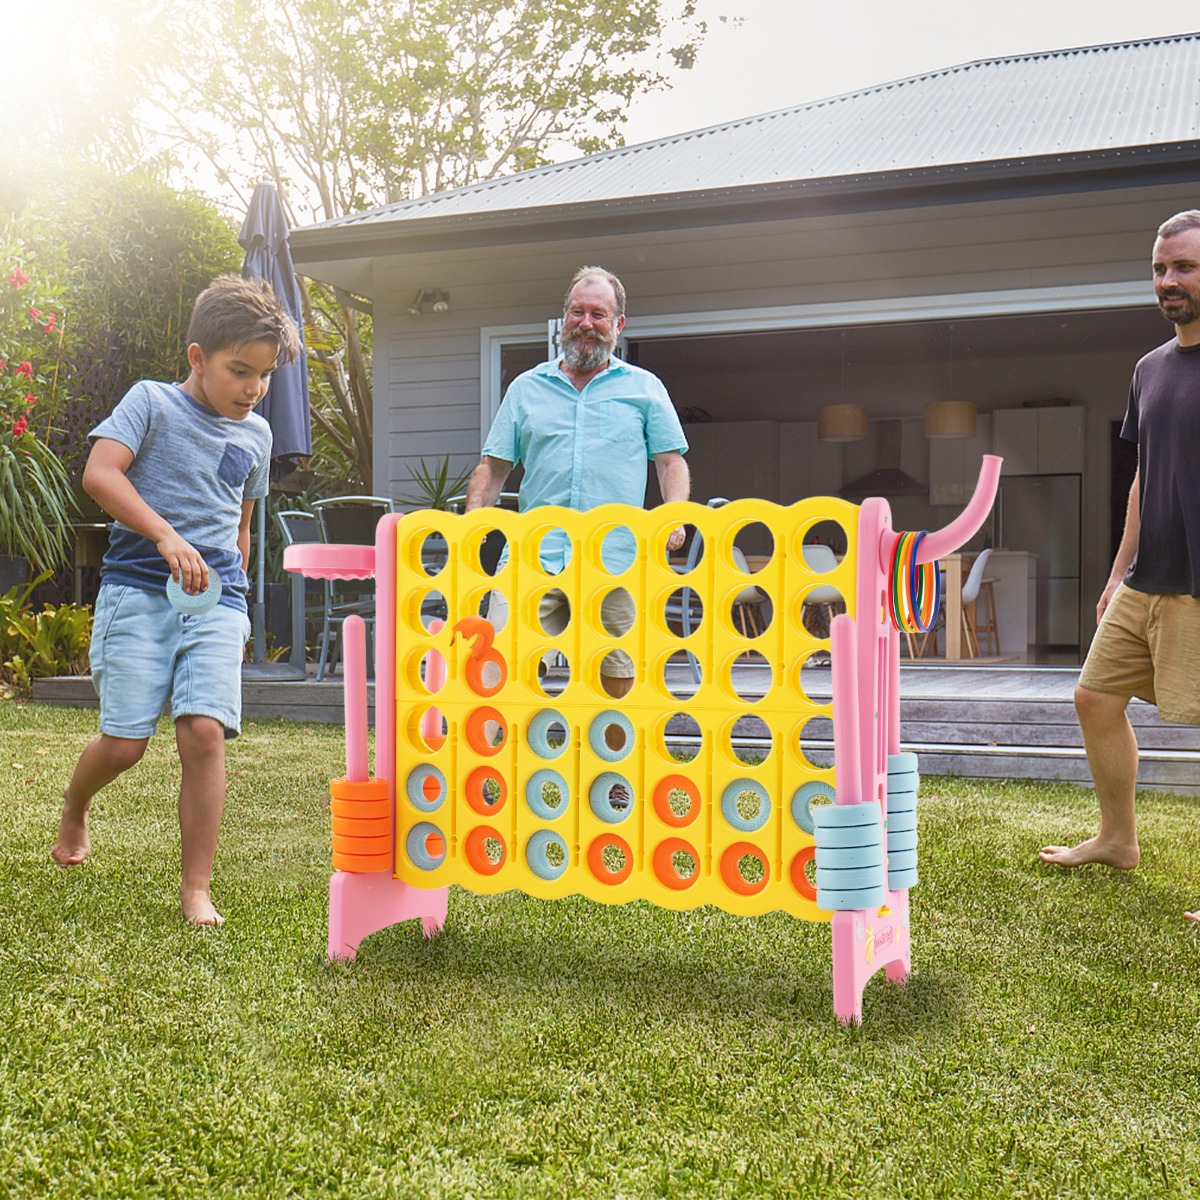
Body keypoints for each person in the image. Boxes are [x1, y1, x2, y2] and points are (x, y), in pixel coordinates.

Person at [51, 274, 301, 926]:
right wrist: (164, 534)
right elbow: (99, 473)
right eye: (239, 371)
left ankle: (196, 889)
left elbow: (242, 520)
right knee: (125, 743)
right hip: (139, 586)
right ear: (198, 357)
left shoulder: (257, 435)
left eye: (265, 376)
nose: (253, 389)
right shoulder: (151, 403)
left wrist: (237, 587)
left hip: (217, 597)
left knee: (203, 733)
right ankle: (76, 807)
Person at [1038, 212, 1200, 922]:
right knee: (1095, 698)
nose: (1170, 282)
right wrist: (1115, 574)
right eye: (1161, 269)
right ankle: (1117, 838)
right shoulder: (1150, 368)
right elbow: (1143, 478)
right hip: (1148, 578)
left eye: (1185, 268)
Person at [464, 265, 690, 700]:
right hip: (534, 554)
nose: (586, 323)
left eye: (598, 314)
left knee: (620, 675)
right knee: (499, 664)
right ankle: (493, 765)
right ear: (563, 319)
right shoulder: (526, 388)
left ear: (618, 325)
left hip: (617, 555)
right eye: (577, 312)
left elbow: (669, 461)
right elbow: (494, 467)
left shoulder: (645, 388)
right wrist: (473, 519)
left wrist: (675, 515)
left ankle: (614, 768)